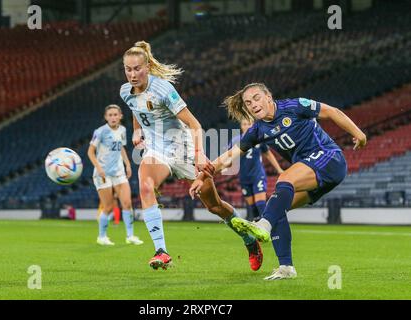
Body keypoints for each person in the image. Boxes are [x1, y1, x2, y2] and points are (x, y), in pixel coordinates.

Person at [190, 83, 367, 280]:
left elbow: (332, 111)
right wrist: (202, 176)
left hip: (329, 159)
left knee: (284, 179)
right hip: (312, 172)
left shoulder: (295, 106)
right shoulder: (257, 130)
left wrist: (358, 134)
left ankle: (263, 225)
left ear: (268, 97)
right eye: (248, 103)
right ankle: (286, 267)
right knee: (275, 208)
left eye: (256, 98)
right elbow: (229, 157)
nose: (253, 104)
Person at [120, 41, 262, 271]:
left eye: (137, 68)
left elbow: (195, 124)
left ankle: (249, 240)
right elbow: (136, 109)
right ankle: (161, 251)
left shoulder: (163, 89)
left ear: (147, 66)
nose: (132, 74)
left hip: (183, 148)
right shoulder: (125, 91)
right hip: (156, 151)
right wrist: (137, 130)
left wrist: (199, 155)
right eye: (128, 69)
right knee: (145, 186)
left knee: (214, 206)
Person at [88, 104, 143, 246]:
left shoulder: (123, 130)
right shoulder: (100, 132)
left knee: (127, 204)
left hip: (119, 172)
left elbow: (121, 148)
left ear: (120, 116)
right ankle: (102, 236)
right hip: (103, 173)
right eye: (110, 115)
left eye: (115, 115)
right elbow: (90, 152)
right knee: (108, 207)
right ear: (106, 117)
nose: (113, 117)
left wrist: (128, 164)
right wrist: (99, 168)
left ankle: (130, 235)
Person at [227, 119, 283, 222]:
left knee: (260, 203)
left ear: (253, 125)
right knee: (252, 206)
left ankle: (269, 226)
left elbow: (268, 154)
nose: (247, 126)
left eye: (249, 124)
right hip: (244, 177)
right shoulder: (235, 141)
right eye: (244, 124)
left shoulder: (258, 139)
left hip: (258, 175)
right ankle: (259, 228)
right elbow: (228, 158)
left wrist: (279, 169)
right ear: (241, 126)